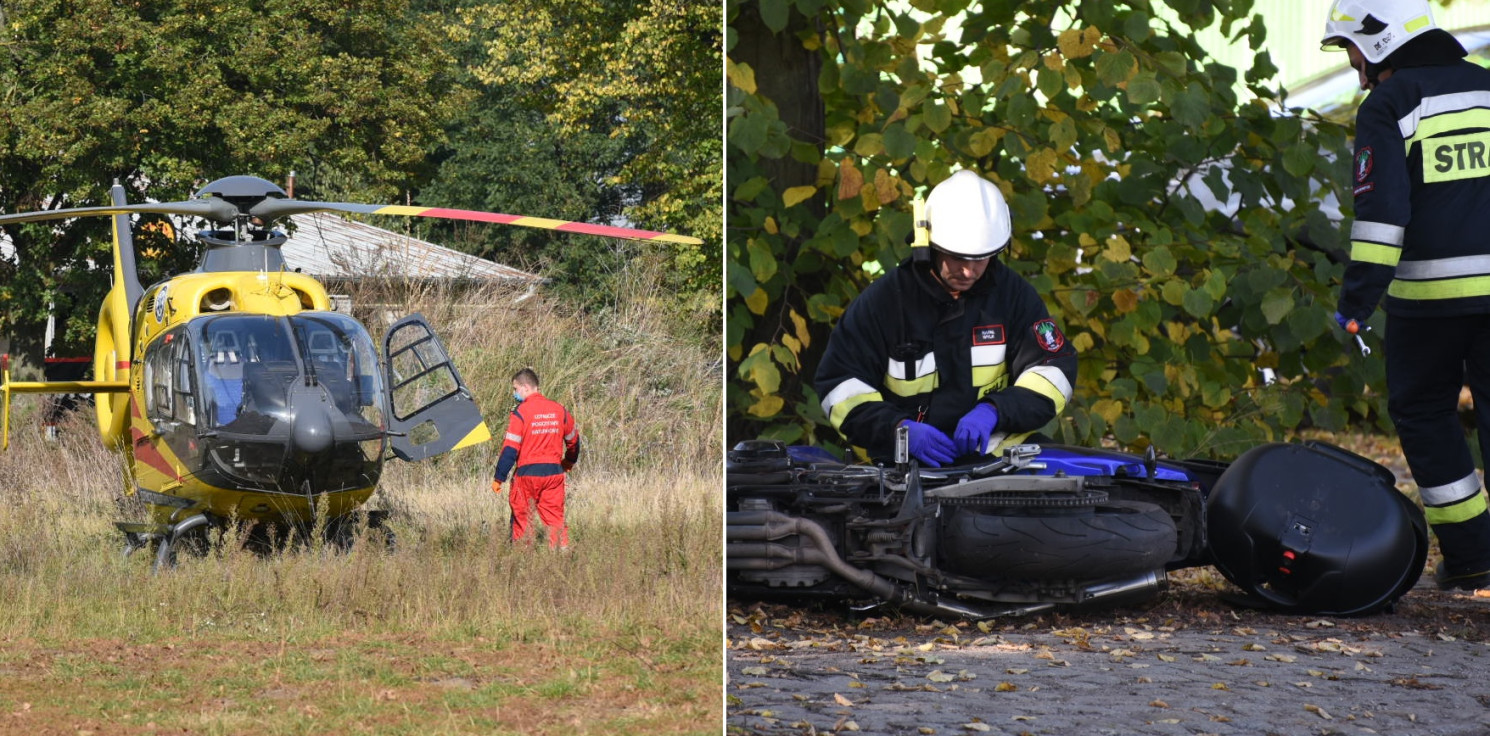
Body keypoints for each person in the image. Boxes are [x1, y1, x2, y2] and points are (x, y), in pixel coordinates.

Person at [1323, 0, 1490, 590]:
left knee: (1423, 412)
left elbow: (1382, 218)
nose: (1351, 63)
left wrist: (1354, 305)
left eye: (1349, 48)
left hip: (1430, 304)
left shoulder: (1390, 104)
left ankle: (1473, 555)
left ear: (1376, 41)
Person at [815, 169, 1077, 466]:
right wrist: (898, 430)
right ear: (929, 244)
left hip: (999, 463)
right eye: (957, 257)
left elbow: (1053, 372)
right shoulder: (884, 304)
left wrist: (994, 411)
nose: (968, 271)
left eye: (980, 258)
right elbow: (840, 387)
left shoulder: (1014, 297)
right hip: (904, 467)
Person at [490, 368, 581, 548]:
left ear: (525, 387)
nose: (514, 393)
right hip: (553, 475)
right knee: (555, 519)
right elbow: (574, 441)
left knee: (523, 520)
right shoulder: (559, 410)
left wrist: (499, 478)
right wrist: (569, 462)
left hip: (526, 476)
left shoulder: (521, 413)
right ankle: (561, 556)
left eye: (515, 389)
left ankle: (524, 563)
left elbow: (510, 449)